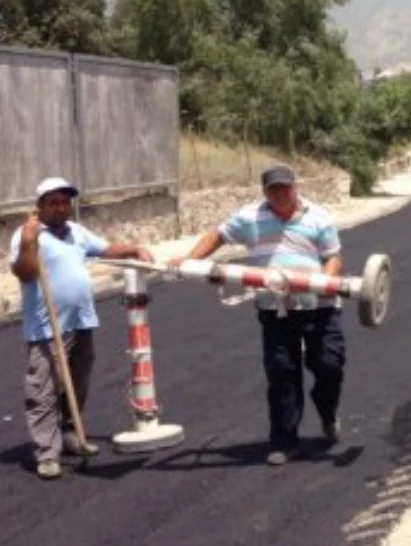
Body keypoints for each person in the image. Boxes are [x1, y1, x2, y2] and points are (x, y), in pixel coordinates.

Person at [170, 165, 346, 465]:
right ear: (264, 191)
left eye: (285, 188)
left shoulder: (319, 216)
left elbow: (333, 257)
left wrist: (326, 283)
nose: (280, 194)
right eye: (273, 189)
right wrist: (189, 260)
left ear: (295, 186)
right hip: (274, 309)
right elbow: (219, 235)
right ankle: (284, 441)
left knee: (329, 364)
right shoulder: (249, 217)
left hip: (318, 307)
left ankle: (326, 409)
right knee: (282, 372)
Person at [8, 177, 154, 480]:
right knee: (43, 392)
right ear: (40, 206)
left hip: (81, 322)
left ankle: (72, 435)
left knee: (77, 385)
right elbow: (24, 273)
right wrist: (27, 242)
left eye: (66, 202)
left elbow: (105, 248)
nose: (62, 208)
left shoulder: (76, 232)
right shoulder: (29, 234)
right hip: (48, 329)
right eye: (54, 202)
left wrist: (134, 249)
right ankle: (48, 453)